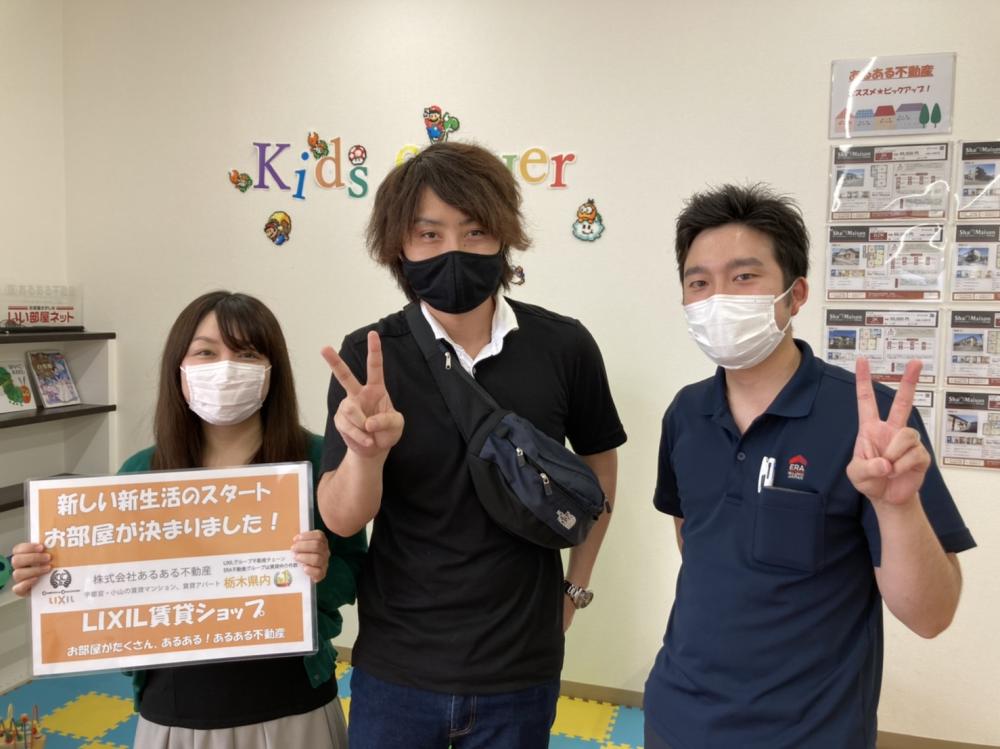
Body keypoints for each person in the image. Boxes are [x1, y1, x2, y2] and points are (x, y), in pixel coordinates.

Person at [317, 141, 627, 749]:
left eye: (475, 230)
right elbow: (340, 517)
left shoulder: (563, 345)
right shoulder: (369, 356)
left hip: (521, 665)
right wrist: (366, 454)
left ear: (503, 237)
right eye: (428, 234)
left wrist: (576, 587)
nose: (452, 250)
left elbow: (599, 470)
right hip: (398, 664)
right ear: (399, 247)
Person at [644, 184, 976, 749]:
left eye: (743, 277)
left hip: (810, 732)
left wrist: (896, 508)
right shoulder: (686, 413)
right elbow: (696, 542)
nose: (717, 299)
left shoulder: (868, 423)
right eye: (699, 283)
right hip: (676, 718)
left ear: (795, 295)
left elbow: (931, 616)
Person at [11, 291, 366, 749]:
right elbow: (108, 591)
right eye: (206, 352)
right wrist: (49, 574)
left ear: (272, 370)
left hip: (291, 702)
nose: (226, 367)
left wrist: (320, 571)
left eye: (248, 354)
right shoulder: (141, 473)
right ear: (178, 368)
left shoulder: (317, 459)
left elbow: (353, 570)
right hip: (175, 711)